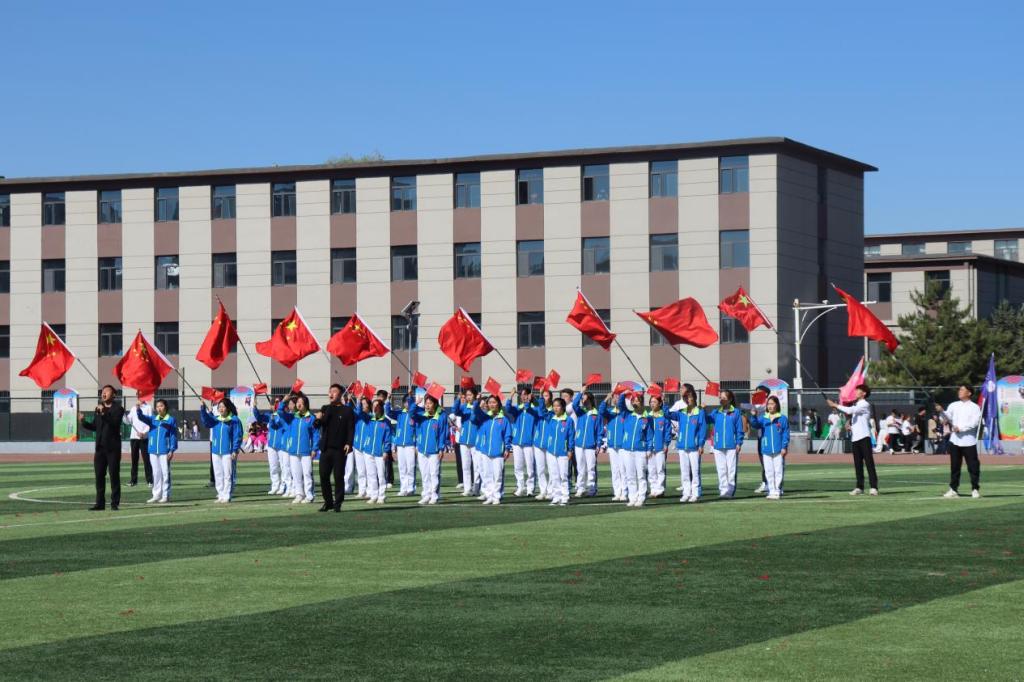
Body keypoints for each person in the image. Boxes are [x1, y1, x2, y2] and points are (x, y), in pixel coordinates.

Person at [79, 385, 126, 511]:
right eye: (102, 392)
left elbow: (114, 424)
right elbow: (95, 427)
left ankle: (115, 503)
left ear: (113, 394)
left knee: (114, 475)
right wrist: (83, 422)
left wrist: (104, 412)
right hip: (100, 448)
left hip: (113, 448)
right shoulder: (98, 408)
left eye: (106, 391)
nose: (103, 394)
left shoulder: (118, 409)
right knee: (99, 476)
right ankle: (100, 503)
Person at [827, 384, 878, 496]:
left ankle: (874, 487)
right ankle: (859, 487)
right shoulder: (857, 405)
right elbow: (858, 421)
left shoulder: (865, 404)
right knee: (857, 464)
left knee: (869, 463)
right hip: (855, 439)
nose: (855, 392)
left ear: (864, 393)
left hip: (864, 437)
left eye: (858, 390)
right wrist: (851, 427)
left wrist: (835, 405)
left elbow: (850, 410)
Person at [935, 385, 983, 498]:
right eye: (959, 389)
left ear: (969, 393)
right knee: (955, 467)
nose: (959, 391)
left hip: (969, 441)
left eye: (962, 390)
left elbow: (975, 423)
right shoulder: (953, 405)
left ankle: (975, 489)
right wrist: (941, 412)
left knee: (973, 467)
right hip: (955, 441)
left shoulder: (975, 407)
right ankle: (953, 489)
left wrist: (961, 428)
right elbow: (945, 418)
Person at [316, 384, 356, 512]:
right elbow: (317, 425)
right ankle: (328, 502)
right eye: (330, 391)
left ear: (340, 394)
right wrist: (318, 418)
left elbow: (351, 428)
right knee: (323, 476)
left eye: (334, 391)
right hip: (326, 448)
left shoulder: (347, 410)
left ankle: (338, 503)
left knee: (338, 476)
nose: (331, 394)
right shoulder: (325, 408)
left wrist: (349, 443)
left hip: (340, 449)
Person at [133, 398, 177, 503]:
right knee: (156, 473)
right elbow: (141, 417)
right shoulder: (153, 419)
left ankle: (165, 495)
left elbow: (173, 436)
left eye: (161, 406)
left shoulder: (171, 420)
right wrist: (138, 409)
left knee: (165, 473)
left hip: (164, 450)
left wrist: (171, 450)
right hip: (153, 449)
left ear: (165, 407)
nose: (159, 408)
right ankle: (156, 495)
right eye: (157, 406)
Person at [199, 397, 243, 503]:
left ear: (228, 408)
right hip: (215, 451)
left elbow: (237, 436)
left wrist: (235, 450)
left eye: (223, 407)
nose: (221, 409)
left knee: (228, 474)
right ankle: (220, 494)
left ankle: (227, 494)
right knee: (218, 474)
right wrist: (202, 409)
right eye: (219, 407)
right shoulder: (216, 419)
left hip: (228, 452)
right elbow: (206, 422)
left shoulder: (234, 420)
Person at [409, 392, 449, 505]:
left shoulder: (440, 417)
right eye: (426, 403)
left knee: (434, 474)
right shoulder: (421, 416)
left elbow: (443, 433)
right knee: (424, 474)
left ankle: (434, 495)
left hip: (434, 451)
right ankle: (426, 495)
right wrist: (415, 403)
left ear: (435, 404)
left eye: (430, 403)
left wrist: (441, 448)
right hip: (422, 450)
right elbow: (411, 413)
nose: (427, 405)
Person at [277, 392, 318, 504]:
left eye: (301, 402)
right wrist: (283, 401)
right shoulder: (292, 417)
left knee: (307, 474)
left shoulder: (311, 418)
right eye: (298, 402)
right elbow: (280, 412)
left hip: (306, 452)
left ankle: (309, 495)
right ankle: (299, 494)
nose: (299, 404)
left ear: (306, 405)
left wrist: (314, 449)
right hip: (293, 451)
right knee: (296, 474)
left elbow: (315, 434)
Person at [472, 394, 513, 505]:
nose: (492, 404)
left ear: (498, 404)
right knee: (486, 475)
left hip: (498, 452)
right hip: (485, 451)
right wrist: (477, 401)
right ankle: (490, 495)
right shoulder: (485, 417)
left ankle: (496, 496)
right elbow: (475, 411)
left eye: (494, 402)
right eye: (490, 402)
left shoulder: (504, 419)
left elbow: (508, 435)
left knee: (497, 476)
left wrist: (507, 448)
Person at [667, 389, 707, 503]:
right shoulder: (681, 412)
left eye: (689, 397)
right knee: (684, 471)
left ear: (694, 398)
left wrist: (701, 444)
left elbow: (702, 429)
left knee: (695, 471)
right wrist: (664, 402)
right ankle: (686, 492)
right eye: (686, 398)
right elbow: (667, 414)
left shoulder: (699, 412)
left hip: (694, 446)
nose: (688, 400)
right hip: (682, 446)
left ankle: (695, 493)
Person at [750, 396, 789, 500]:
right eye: (768, 404)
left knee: (778, 471)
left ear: (777, 405)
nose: (770, 406)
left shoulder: (782, 418)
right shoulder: (763, 418)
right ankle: (771, 490)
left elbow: (785, 433)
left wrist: (784, 447)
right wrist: (753, 416)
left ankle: (777, 490)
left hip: (778, 449)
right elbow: (755, 425)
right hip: (766, 449)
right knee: (768, 471)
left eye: (772, 404)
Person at [617, 391, 651, 508]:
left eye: (638, 401)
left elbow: (649, 435)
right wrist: (623, 394)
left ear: (642, 403)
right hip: (627, 450)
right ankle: (632, 498)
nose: (636, 403)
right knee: (630, 476)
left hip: (640, 451)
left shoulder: (646, 418)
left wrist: (649, 449)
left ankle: (641, 497)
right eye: (634, 401)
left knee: (641, 475)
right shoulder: (628, 415)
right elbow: (620, 405)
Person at [356, 397, 392, 504]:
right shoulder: (369, 419)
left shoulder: (386, 422)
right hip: (368, 451)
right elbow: (359, 413)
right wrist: (358, 402)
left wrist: (386, 451)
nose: (375, 408)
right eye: (374, 406)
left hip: (380, 453)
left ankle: (382, 496)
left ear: (381, 408)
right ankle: (374, 495)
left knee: (381, 475)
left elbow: (388, 439)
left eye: (377, 406)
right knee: (371, 475)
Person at [541, 397, 575, 506]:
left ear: (563, 407)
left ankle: (565, 496)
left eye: (558, 406)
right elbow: (542, 410)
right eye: (554, 406)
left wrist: (570, 449)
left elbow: (571, 436)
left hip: (563, 452)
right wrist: (541, 397)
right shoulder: (551, 418)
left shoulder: (568, 420)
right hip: (551, 451)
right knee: (554, 475)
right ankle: (556, 496)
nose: (555, 408)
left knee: (563, 475)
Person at [711, 390, 745, 498]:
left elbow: (739, 429)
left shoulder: (736, 412)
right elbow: (706, 419)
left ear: (729, 400)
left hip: (732, 446)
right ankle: (723, 490)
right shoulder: (716, 412)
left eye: (724, 398)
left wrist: (739, 442)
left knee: (731, 469)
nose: (721, 400)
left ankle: (730, 490)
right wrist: (701, 409)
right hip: (718, 445)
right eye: (720, 398)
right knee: (721, 470)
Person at [452, 388, 484, 497]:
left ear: (475, 395)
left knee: (477, 466)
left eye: (470, 395)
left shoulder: (479, 407)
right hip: (464, 440)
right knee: (465, 466)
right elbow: (455, 410)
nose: (468, 397)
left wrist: (476, 403)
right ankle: (467, 488)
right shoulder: (463, 407)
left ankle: (476, 488)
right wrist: (458, 398)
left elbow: (474, 418)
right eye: (467, 395)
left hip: (475, 442)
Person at [386, 390, 418, 496]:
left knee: (410, 467)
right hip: (400, 444)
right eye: (406, 402)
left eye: (409, 402)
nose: (407, 404)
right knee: (402, 467)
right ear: (403, 403)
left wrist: (416, 445)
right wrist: (388, 400)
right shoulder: (399, 413)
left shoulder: (415, 414)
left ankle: (411, 488)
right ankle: (403, 488)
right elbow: (388, 412)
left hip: (410, 444)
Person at [570, 391, 602, 497]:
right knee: (580, 468)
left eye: (585, 399)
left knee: (591, 468)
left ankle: (592, 488)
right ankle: (581, 488)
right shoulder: (581, 412)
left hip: (591, 446)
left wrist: (598, 444)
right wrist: (580, 393)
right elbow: (574, 405)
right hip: (579, 444)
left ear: (590, 400)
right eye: (582, 399)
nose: (583, 401)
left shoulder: (596, 415)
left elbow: (600, 431)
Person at [598, 393, 627, 501]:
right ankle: (617, 492)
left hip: (622, 445)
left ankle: (625, 492)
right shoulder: (610, 412)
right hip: (612, 445)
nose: (616, 399)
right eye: (614, 397)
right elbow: (601, 410)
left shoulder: (625, 412)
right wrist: (607, 398)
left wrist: (622, 397)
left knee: (623, 470)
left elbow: (621, 405)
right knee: (615, 470)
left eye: (618, 397)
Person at [123, 397, 153, 488]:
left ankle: (150, 480)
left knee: (146, 459)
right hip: (134, 437)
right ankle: (133, 481)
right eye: (138, 395)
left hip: (144, 437)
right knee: (134, 460)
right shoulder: (133, 408)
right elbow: (128, 422)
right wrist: (123, 415)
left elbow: (150, 421)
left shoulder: (148, 407)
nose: (139, 398)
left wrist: (144, 433)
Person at [645, 395, 672, 498]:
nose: (652, 404)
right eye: (651, 402)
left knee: (660, 469)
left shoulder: (664, 416)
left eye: (654, 402)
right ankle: (653, 489)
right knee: (651, 470)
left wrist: (666, 443)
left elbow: (668, 431)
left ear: (660, 403)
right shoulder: (648, 416)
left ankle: (660, 489)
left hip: (660, 447)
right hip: (650, 448)